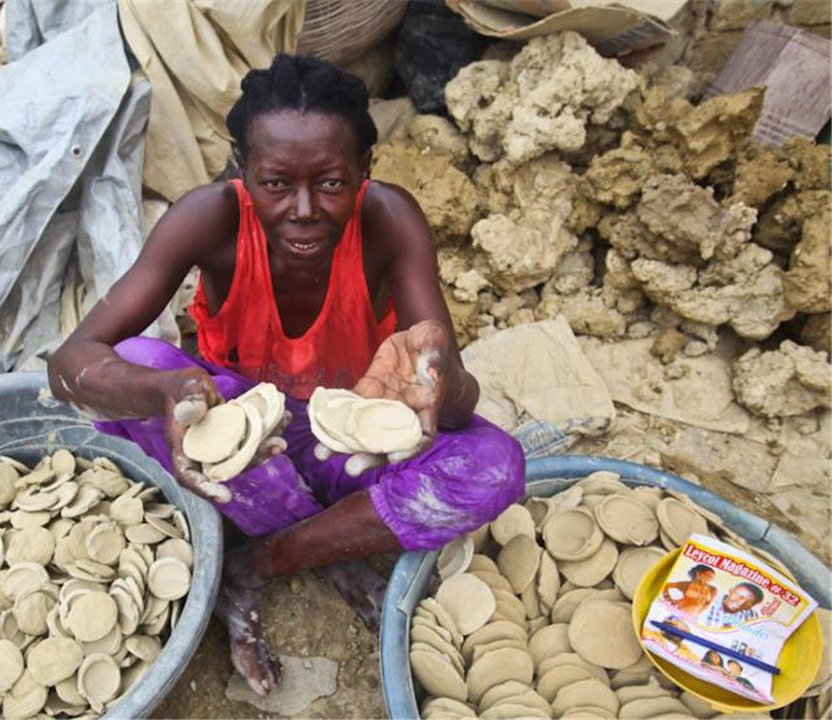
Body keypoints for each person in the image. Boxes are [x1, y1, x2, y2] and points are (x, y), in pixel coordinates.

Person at [47, 54, 524, 695]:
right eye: (275, 183)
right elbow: (71, 363)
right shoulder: (208, 218)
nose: (304, 209)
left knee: (495, 465)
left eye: (330, 183)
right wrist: (165, 393)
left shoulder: (390, 220)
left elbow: (456, 402)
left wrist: (440, 378)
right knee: (141, 360)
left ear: (365, 170)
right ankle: (333, 540)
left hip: (349, 440)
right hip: (250, 444)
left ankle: (261, 561)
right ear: (242, 169)